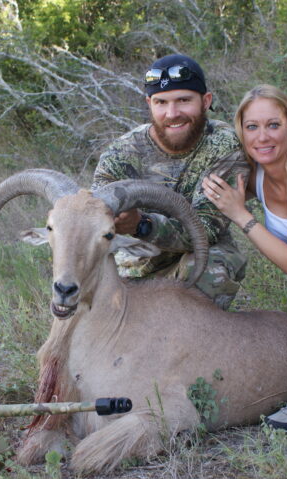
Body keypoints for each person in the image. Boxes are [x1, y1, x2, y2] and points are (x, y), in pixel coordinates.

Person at [202, 84, 287, 432]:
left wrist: (242, 216)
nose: (262, 137)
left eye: (273, 125)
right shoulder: (255, 176)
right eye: (251, 127)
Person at [92, 53, 250, 310]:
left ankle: (193, 342)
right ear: (149, 104)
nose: (172, 113)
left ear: (205, 101)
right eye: (161, 102)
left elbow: (206, 229)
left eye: (184, 100)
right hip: (130, 265)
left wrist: (142, 224)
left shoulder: (224, 146)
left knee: (214, 269)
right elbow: (96, 220)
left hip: (191, 257)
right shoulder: (120, 153)